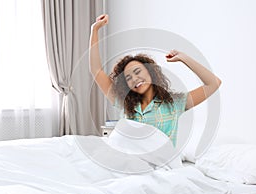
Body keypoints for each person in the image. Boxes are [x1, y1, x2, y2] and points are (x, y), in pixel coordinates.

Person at [89, 14, 221, 146]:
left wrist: (184, 58)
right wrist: (94, 30)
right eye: (128, 78)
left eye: (137, 72)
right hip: (129, 160)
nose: (134, 79)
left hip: (160, 163)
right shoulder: (124, 102)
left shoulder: (174, 103)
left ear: (150, 72)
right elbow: (96, 71)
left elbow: (213, 83)